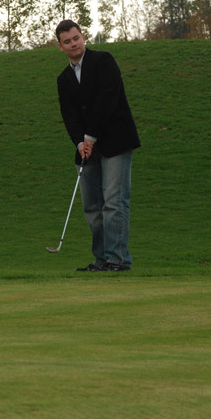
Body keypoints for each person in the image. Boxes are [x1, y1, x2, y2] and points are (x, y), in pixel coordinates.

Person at [54, 20, 140, 272]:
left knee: (114, 201)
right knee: (92, 205)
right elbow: (69, 115)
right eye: (67, 41)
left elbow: (108, 99)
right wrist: (80, 142)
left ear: (83, 37)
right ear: (60, 46)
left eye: (76, 38)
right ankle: (101, 260)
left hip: (116, 140)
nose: (73, 44)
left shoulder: (104, 61)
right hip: (86, 148)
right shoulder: (63, 79)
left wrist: (90, 136)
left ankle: (117, 259)